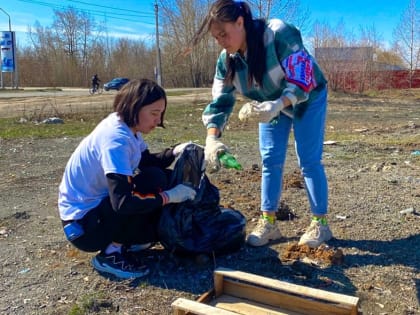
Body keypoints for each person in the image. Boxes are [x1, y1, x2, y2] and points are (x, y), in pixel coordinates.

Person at [190, 0, 332, 248]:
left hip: (307, 96)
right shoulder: (227, 61)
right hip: (268, 104)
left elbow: (302, 79)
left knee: (308, 160)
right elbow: (220, 102)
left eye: (224, 33)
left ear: (240, 22)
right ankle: (269, 222)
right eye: (216, 37)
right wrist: (212, 138)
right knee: (270, 160)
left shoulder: (278, 33)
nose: (221, 41)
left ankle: (320, 225)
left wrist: (278, 104)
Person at [58, 78, 196, 279]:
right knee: (151, 184)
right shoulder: (116, 140)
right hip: (83, 227)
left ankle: (127, 239)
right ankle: (110, 254)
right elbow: (122, 203)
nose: (158, 120)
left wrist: (175, 151)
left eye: (161, 113)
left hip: (97, 210)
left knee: (156, 177)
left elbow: (145, 161)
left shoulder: (127, 127)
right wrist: (169, 196)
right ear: (135, 107)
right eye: (154, 113)